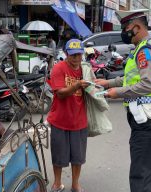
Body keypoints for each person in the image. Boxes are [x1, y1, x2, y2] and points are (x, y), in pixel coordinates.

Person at [96, 9, 151, 192]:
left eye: (125, 28)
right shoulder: (140, 50)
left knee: (140, 174)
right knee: (142, 171)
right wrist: (107, 83)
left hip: (147, 119)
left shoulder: (145, 51)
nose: (124, 33)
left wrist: (117, 93)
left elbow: (147, 84)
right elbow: (130, 80)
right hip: (144, 118)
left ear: (136, 27)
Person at [47, 39, 89, 192]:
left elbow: (92, 88)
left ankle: (75, 184)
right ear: (66, 54)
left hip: (79, 120)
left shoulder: (85, 69)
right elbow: (60, 93)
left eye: (79, 55)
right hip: (60, 120)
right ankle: (57, 183)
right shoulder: (58, 68)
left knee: (78, 157)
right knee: (58, 156)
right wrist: (77, 85)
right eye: (73, 55)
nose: (77, 59)